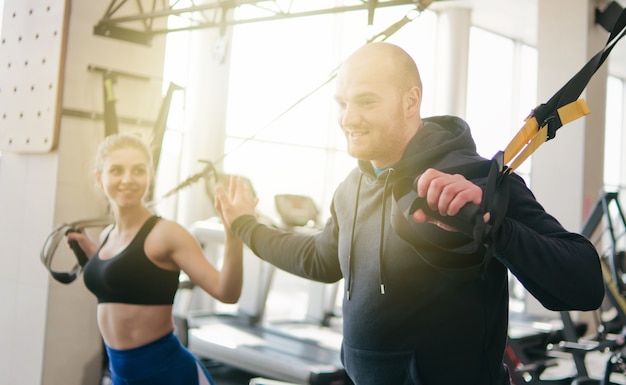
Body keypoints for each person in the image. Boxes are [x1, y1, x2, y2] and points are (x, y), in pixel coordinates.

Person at [214, 42, 605, 385]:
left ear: (410, 101)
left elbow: (584, 282)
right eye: (342, 103)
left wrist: (493, 227)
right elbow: (320, 259)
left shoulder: (476, 178)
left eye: (366, 101)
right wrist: (246, 226)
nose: (348, 118)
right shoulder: (351, 187)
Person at [66, 133, 245, 385]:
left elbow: (227, 292)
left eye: (138, 170)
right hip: (122, 376)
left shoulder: (167, 234)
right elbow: (127, 279)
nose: (127, 179)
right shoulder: (108, 236)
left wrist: (233, 233)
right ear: (100, 178)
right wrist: (94, 257)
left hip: (170, 375)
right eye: (117, 170)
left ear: (149, 175)